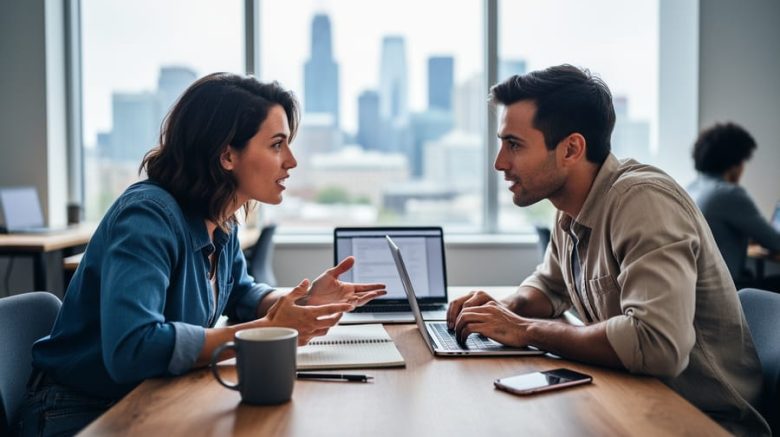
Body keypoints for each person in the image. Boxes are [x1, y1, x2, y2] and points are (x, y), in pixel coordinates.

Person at [17, 73, 386, 436]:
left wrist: (302, 301)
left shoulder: (220, 219)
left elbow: (241, 292)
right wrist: (266, 330)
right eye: (276, 145)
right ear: (227, 155)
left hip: (154, 395)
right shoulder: (148, 217)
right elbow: (133, 347)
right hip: (79, 411)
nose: (291, 161)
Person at [446, 65, 768, 436]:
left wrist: (526, 330)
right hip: (634, 397)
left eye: (514, 144)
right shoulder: (571, 209)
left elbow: (656, 343)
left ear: (571, 149)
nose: (499, 162)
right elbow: (550, 286)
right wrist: (506, 308)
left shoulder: (642, 201)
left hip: (705, 420)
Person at [686, 122, 780, 291]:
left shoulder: (692, 188)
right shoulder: (728, 194)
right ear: (734, 165)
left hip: (695, 286)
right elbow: (775, 242)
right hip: (725, 289)